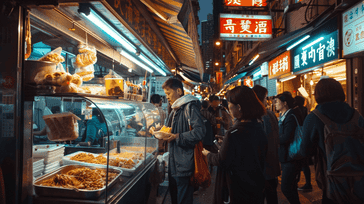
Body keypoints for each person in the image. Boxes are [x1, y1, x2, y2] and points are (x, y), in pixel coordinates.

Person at [300, 78, 364, 204]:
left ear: (317, 95)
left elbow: (305, 151)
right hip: (360, 180)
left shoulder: (313, 117)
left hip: (333, 183)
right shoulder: (357, 116)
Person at [202, 86, 268, 204]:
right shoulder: (259, 127)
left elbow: (221, 160)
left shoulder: (234, 133)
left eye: (230, 106)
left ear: (239, 107)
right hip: (257, 185)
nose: (229, 109)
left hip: (237, 188)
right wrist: (226, 142)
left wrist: (207, 154)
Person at [154, 78, 206, 204]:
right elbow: (169, 131)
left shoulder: (190, 107)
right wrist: (158, 131)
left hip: (185, 163)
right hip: (174, 163)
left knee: (183, 199)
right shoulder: (175, 109)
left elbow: (200, 131)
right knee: (175, 198)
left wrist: (177, 137)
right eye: (165, 95)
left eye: (169, 93)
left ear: (179, 91)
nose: (167, 97)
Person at [253, 85, 280, 204]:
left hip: (261, 169)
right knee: (272, 197)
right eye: (265, 98)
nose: (266, 101)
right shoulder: (271, 114)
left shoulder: (257, 117)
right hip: (272, 167)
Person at [275, 92, 304, 204]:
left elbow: (287, 137)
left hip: (291, 157)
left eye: (277, 102)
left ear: (285, 103)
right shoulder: (284, 115)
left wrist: (274, 139)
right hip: (286, 156)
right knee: (291, 187)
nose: (275, 104)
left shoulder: (291, 116)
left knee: (285, 187)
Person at [294, 95, 312, 191]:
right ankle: (308, 183)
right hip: (305, 136)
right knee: (304, 163)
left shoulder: (295, 111)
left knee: (298, 161)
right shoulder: (305, 110)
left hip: (298, 137)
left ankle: (296, 182)